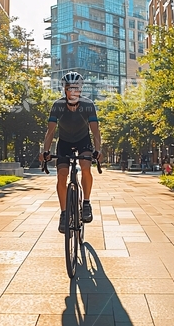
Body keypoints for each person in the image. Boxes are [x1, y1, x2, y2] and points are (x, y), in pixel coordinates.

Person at [40, 71, 102, 234]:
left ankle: (86, 203)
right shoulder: (57, 105)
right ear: (64, 89)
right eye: (69, 88)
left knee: (86, 167)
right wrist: (45, 150)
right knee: (61, 175)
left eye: (76, 88)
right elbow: (50, 131)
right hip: (65, 142)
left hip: (83, 141)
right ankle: (64, 213)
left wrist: (98, 149)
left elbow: (95, 131)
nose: (72, 91)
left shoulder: (88, 105)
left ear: (80, 89)